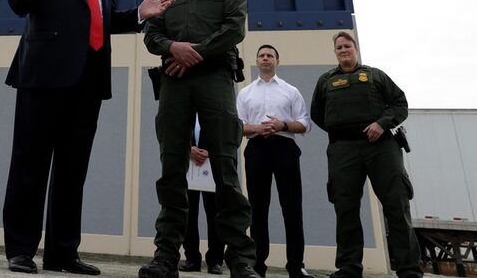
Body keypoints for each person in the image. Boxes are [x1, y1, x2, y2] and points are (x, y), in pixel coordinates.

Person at [0, 0, 175, 275]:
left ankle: (62, 252)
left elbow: (107, 21)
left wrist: (140, 14)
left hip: (87, 83)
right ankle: (21, 250)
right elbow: (24, 3)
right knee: (30, 164)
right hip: (43, 78)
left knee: (72, 170)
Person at [140, 0, 259, 278]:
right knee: (172, 167)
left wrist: (194, 53)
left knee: (225, 165)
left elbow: (235, 27)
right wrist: (172, 49)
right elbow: (152, 34)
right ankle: (165, 258)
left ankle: (240, 260)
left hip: (214, 79)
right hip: (174, 80)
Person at [310, 31, 422, 278]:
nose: (343, 50)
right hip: (343, 150)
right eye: (339, 47)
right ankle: (349, 267)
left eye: (347, 46)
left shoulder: (375, 76)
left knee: (396, 205)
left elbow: (400, 103)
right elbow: (318, 115)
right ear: (335, 52)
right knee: (346, 208)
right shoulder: (325, 81)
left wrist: (382, 123)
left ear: (355, 48)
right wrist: (343, 131)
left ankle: (409, 270)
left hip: (381, 147)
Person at [236, 45, 314, 278]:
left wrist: (283, 125)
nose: (266, 58)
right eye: (262, 55)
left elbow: (305, 124)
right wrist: (259, 128)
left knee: (292, 208)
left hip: (285, 148)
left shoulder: (291, 91)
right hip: (257, 148)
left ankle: (296, 266)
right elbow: (238, 127)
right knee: (258, 209)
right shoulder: (245, 93)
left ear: (277, 61)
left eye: (270, 55)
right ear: (257, 61)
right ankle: (257, 265)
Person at [181, 116, 225, 274]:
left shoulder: (214, 104)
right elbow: (176, 130)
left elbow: (226, 131)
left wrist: (211, 151)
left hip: (212, 164)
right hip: (188, 165)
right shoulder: (186, 105)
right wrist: (188, 148)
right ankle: (191, 259)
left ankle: (215, 261)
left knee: (215, 213)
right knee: (188, 213)